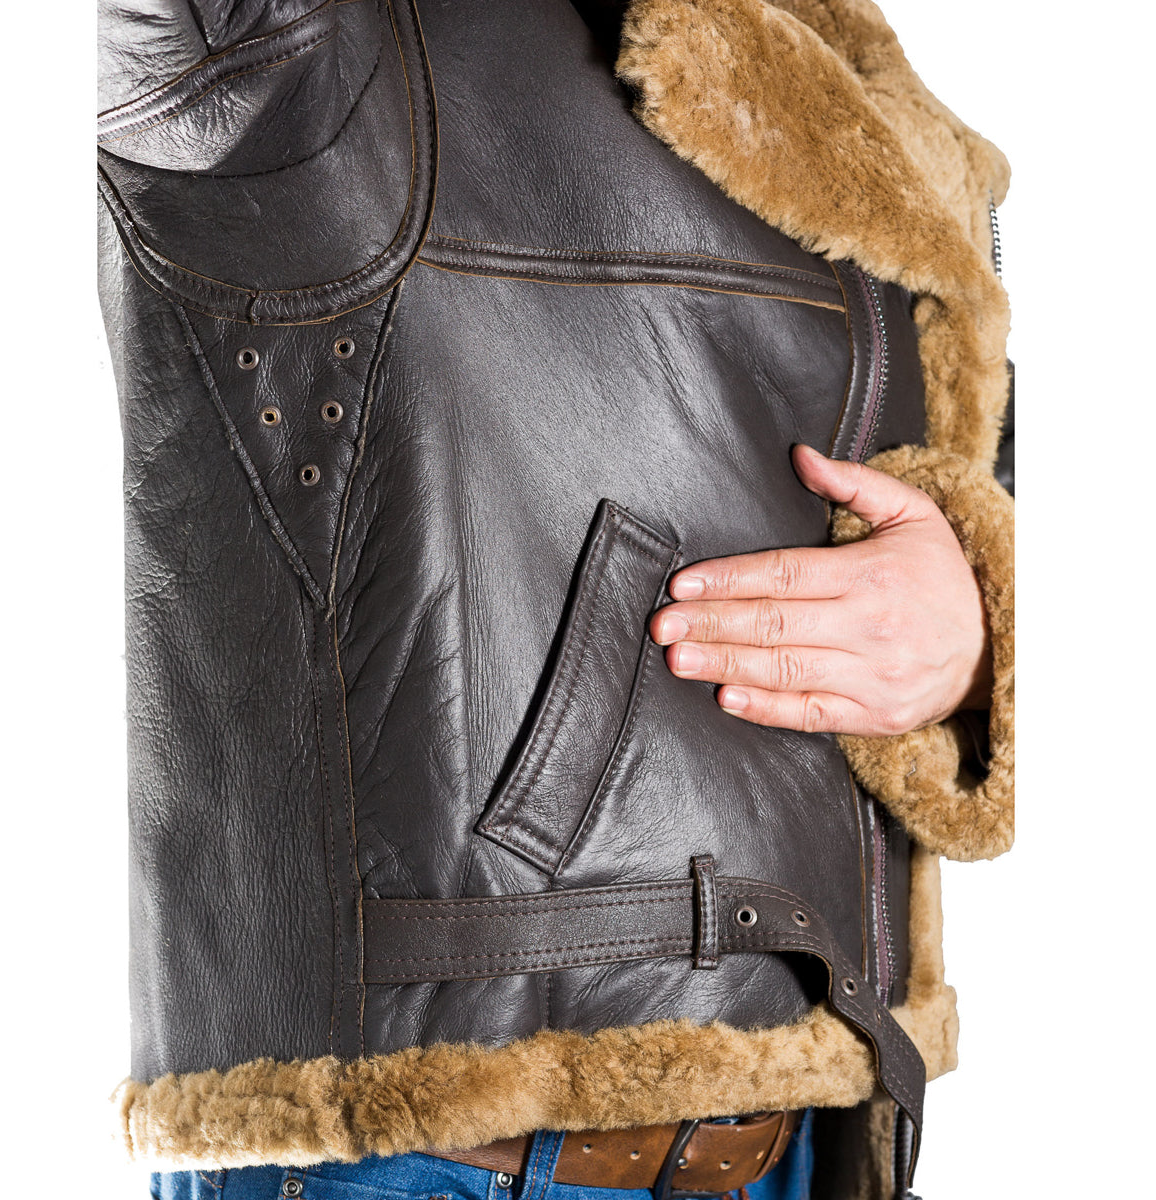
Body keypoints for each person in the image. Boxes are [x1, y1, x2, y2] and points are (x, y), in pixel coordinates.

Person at [97, 2, 1014, 1197]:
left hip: (812, 1123)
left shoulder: (853, 72)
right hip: (431, 1138)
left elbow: (995, 491)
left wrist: (983, 629)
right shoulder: (314, 43)